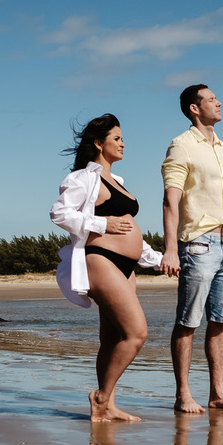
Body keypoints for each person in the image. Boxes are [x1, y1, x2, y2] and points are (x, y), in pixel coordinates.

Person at [51, 114, 162, 422]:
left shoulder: (119, 183)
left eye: (123, 138)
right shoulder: (85, 179)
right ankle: (100, 398)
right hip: (100, 260)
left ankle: (108, 404)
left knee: (112, 338)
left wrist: (158, 259)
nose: (123, 143)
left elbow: (130, 231)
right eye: (117, 138)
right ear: (99, 144)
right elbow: (60, 213)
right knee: (136, 334)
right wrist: (102, 223)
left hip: (127, 266)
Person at [160, 85, 223, 413]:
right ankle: (183, 394)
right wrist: (170, 249)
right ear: (194, 108)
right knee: (188, 321)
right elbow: (170, 200)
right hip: (197, 245)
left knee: (221, 321)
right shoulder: (181, 146)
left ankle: (218, 392)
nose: (219, 101)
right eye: (212, 99)